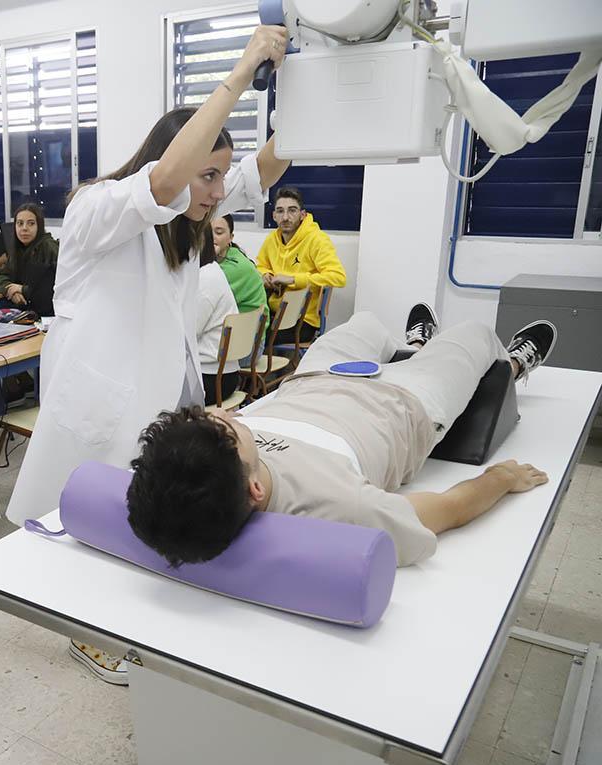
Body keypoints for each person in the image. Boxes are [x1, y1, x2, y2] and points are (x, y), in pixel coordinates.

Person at [7, 25, 291, 686]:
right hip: (101, 401)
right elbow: (167, 179)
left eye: (221, 176)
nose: (221, 191)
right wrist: (243, 68)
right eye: (210, 175)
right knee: (84, 523)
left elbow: (264, 167)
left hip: (153, 393)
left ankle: (112, 621)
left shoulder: (187, 227)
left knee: (126, 521)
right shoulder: (99, 209)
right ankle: (85, 634)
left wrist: (317, 98)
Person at [127, 304, 557, 569]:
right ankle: (514, 367)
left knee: (367, 322)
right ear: (256, 489)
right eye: (223, 424)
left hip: (310, 380)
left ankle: (413, 344)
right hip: (405, 399)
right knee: (476, 333)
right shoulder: (340, 506)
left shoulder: (199, 466)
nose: (220, 411)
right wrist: (500, 480)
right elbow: (447, 509)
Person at [256, 187, 345, 342]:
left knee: (255, 339)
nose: (285, 217)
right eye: (280, 211)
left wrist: (293, 279)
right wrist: (265, 275)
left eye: (292, 211)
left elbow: (338, 277)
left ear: (302, 215)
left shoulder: (317, 240)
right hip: (274, 313)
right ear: (274, 216)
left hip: (303, 321)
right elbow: (260, 265)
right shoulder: (271, 239)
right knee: (243, 330)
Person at [0, 202, 59, 318]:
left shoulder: (49, 247)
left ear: (39, 226)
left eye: (31, 223)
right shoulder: (18, 249)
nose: (24, 228)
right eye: (20, 223)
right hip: (26, 311)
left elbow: (53, 288)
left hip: (48, 315)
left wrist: (23, 289)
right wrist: (11, 291)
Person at [212, 213, 268, 335]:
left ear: (231, 237)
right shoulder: (227, 256)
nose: (211, 237)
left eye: (219, 232)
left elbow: (204, 301)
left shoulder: (235, 268)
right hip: (239, 335)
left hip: (245, 343)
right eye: (205, 232)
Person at [195, 261, 241, 403]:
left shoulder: (204, 279)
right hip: (225, 374)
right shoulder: (214, 270)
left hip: (211, 380)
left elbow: (188, 334)